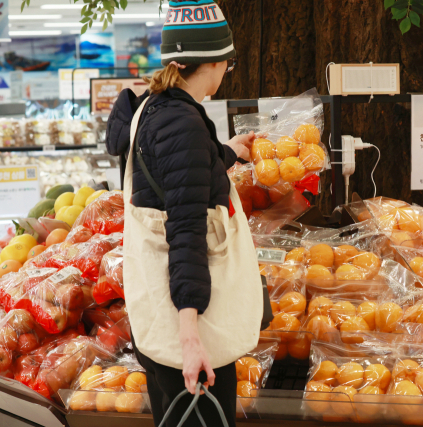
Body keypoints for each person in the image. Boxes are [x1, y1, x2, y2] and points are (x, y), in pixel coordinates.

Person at [106, 1, 260, 425]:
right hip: (190, 335)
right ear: (210, 62)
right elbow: (187, 231)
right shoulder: (185, 124)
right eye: (227, 61)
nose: (228, 69)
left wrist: (227, 153)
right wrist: (191, 339)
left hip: (155, 322)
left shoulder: (150, 110)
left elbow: (171, 178)